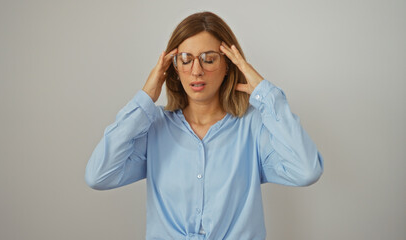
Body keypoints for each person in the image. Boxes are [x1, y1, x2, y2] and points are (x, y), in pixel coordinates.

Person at [85, 11, 324, 240]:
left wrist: (266, 94)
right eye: (186, 60)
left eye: (209, 59)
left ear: (229, 64)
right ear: (174, 68)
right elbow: (98, 175)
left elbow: (306, 170)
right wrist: (146, 96)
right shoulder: (153, 128)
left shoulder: (253, 127)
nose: (196, 71)